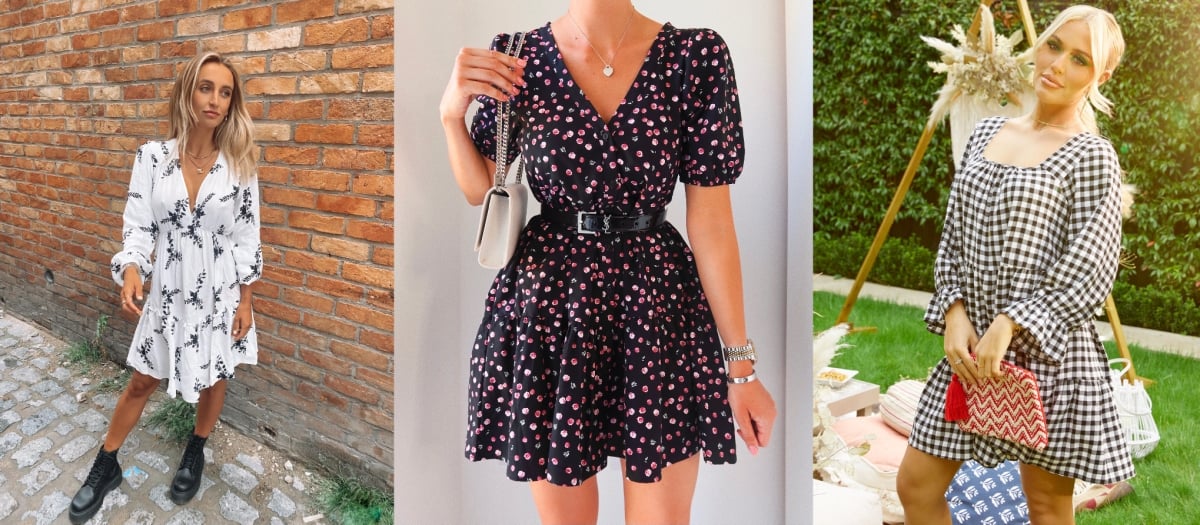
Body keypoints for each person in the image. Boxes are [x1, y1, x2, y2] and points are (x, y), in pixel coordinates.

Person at [439, 1, 776, 523]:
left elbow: (711, 222)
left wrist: (742, 370)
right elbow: (482, 190)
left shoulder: (694, 55)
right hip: (550, 311)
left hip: (656, 309)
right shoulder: (518, 55)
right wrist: (450, 113)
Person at [896, 5, 1133, 524]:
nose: (1057, 65)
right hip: (971, 354)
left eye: (1079, 59)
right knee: (915, 486)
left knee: (1047, 506)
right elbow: (954, 234)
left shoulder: (1092, 156)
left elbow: (1091, 267)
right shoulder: (985, 133)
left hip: (1048, 360)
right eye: (1054, 46)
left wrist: (1011, 321)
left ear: (1099, 77)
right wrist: (954, 310)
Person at [69, 52, 261, 524]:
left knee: (218, 374)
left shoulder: (240, 165)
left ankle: (196, 449)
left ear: (231, 103)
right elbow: (137, 225)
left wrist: (247, 301)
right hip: (170, 288)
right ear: (187, 91)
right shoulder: (152, 156)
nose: (214, 100)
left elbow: (247, 238)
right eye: (205, 87)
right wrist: (133, 268)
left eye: (225, 92)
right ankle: (105, 465)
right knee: (142, 377)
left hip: (219, 291)